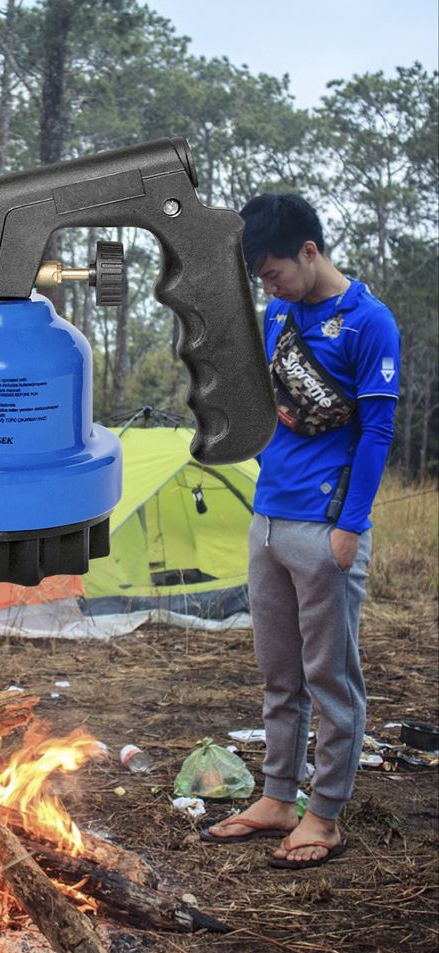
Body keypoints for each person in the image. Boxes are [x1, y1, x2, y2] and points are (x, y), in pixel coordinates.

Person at [200, 193, 401, 869]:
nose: (268, 284)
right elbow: (264, 396)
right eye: (258, 276)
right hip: (268, 516)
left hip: (324, 526)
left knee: (330, 676)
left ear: (308, 251)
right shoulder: (279, 313)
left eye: (273, 271)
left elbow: (376, 429)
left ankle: (325, 812)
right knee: (277, 673)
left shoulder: (367, 322)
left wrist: (350, 525)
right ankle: (277, 795)